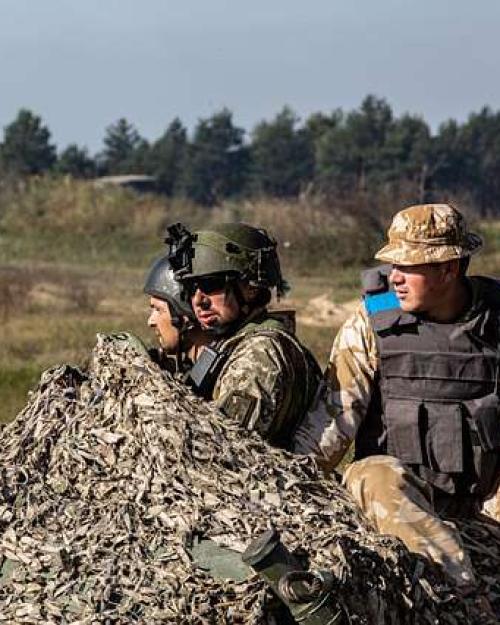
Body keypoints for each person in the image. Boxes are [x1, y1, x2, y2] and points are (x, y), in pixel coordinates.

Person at [295, 203, 500, 588]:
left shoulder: (496, 321)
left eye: (408, 267)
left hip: (478, 508)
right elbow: (328, 431)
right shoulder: (372, 322)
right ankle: (456, 592)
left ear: (448, 268)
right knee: (372, 473)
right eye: (393, 266)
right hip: (395, 502)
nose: (395, 279)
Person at [168, 221, 322, 451]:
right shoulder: (235, 343)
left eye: (211, 284)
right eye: (191, 288)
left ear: (250, 287)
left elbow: (223, 449)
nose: (198, 301)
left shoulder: (259, 354)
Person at [144, 253, 209, 373]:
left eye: (158, 310)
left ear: (185, 314)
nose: (150, 321)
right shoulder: (194, 368)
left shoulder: (233, 369)